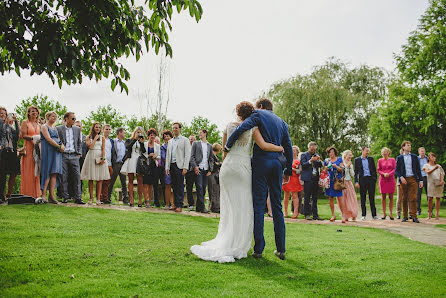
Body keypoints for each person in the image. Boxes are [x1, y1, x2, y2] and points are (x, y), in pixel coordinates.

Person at [190, 100, 286, 263]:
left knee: (228, 206)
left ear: (237, 112)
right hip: (243, 168)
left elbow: (224, 152)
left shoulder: (228, 126)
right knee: (244, 205)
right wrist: (279, 148)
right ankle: (239, 244)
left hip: (228, 168)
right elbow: (263, 145)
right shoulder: (253, 128)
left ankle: (226, 240)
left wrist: (226, 165)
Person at [225, 98, 293, 260]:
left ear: (260, 106)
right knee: (277, 206)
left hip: (261, 164)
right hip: (277, 164)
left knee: (259, 204)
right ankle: (281, 249)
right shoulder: (282, 123)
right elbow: (288, 147)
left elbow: (242, 128)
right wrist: (288, 170)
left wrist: (228, 145)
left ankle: (259, 249)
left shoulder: (257, 115)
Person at [80, 122, 110, 205]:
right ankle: (91, 198)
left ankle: (98, 199)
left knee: (100, 179)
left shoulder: (102, 137)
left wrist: (103, 158)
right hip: (91, 156)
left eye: (99, 127)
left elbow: (103, 149)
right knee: (91, 178)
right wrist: (95, 139)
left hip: (99, 156)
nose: (98, 129)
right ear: (93, 128)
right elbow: (90, 147)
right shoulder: (88, 137)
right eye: (96, 127)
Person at [165, 122, 191, 212]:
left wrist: (185, 167)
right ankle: (175, 204)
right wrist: (167, 167)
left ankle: (180, 205)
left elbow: (187, 154)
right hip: (171, 165)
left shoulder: (185, 140)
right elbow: (168, 155)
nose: (174, 129)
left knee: (180, 186)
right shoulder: (170, 141)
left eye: (176, 128)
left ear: (180, 129)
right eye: (173, 128)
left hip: (180, 166)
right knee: (174, 186)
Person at [395, 141, 423, 223]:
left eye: (410, 145)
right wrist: (401, 177)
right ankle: (405, 216)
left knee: (413, 197)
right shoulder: (399, 158)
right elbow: (397, 170)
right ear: (403, 147)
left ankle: (414, 216)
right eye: (408, 145)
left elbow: (418, 170)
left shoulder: (414, 157)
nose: (409, 146)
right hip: (404, 180)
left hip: (413, 179)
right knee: (404, 198)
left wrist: (421, 180)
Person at [39, 112, 64, 204]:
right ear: (47, 117)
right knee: (47, 172)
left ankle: (52, 196)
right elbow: (48, 139)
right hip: (48, 150)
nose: (54, 118)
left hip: (56, 152)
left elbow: (58, 139)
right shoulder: (44, 127)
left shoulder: (55, 128)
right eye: (52, 116)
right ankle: (44, 194)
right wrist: (58, 147)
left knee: (54, 172)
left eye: (56, 117)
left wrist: (62, 147)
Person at [189, 129, 214, 213]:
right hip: (198, 169)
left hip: (206, 170)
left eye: (200, 133)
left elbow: (211, 159)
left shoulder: (209, 146)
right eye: (198, 133)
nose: (199, 134)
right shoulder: (196, 144)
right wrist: (195, 167)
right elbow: (191, 157)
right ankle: (203, 208)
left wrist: (210, 169)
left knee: (203, 188)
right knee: (199, 187)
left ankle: (198, 207)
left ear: (205, 134)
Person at [120, 126, 145, 207]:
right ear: (134, 132)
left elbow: (144, 151)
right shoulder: (129, 140)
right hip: (131, 160)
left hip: (139, 161)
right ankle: (131, 200)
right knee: (130, 179)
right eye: (137, 132)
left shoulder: (141, 141)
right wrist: (135, 139)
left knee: (140, 180)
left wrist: (141, 142)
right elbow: (128, 146)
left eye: (140, 132)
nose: (139, 134)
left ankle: (140, 200)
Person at [20, 105, 41, 198]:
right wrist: (33, 137)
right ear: (28, 113)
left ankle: (36, 194)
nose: (34, 113)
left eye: (36, 111)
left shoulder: (39, 124)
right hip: (28, 148)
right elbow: (23, 135)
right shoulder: (25, 122)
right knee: (28, 170)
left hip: (37, 149)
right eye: (32, 111)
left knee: (36, 171)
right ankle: (27, 194)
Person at [0, 108, 20, 202]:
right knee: (3, 174)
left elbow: (17, 134)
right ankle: (2, 194)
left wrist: (16, 122)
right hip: (3, 151)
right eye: (1, 113)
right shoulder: (2, 125)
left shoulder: (9, 126)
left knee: (14, 172)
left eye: (4, 113)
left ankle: (9, 193)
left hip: (12, 151)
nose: (3, 115)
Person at [354, 146, 379, 220]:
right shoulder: (357, 160)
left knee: (372, 198)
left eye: (368, 151)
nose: (367, 152)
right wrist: (356, 181)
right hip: (362, 180)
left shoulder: (371, 159)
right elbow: (356, 172)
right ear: (362, 151)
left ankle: (374, 215)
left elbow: (374, 170)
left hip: (371, 179)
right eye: (366, 151)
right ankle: (363, 215)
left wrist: (374, 179)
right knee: (363, 198)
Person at [300, 141, 323, 220]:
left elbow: (320, 165)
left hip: (315, 178)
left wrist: (318, 160)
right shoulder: (304, 155)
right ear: (309, 147)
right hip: (307, 179)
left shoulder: (316, 155)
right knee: (307, 197)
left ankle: (315, 215)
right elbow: (303, 165)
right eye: (312, 149)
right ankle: (307, 214)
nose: (313, 150)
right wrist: (311, 160)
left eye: (314, 149)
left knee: (315, 197)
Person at [107, 127, 129, 204]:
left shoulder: (125, 143)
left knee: (124, 182)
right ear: (119, 133)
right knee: (112, 181)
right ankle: (108, 198)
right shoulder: (113, 141)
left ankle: (125, 199)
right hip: (115, 164)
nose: (125, 134)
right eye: (124, 132)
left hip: (122, 164)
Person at [324, 146, 345, 222]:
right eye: (329, 152)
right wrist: (326, 169)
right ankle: (333, 215)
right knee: (331, 198)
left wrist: (336, 166)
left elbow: (342, 170)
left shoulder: (339, 159)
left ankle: (343, 215)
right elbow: (324, 171)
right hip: (329, 180)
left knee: (340, 198)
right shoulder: (326, 161)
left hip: (337, 180)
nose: (331, 153)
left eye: (332, 152)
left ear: (335, 152)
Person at [282, 146, 303, 219]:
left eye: (294, 151)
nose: (293, 152)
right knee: (286, 196)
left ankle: (296, 212)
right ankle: (285, 212)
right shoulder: (287, 159)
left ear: (297, 152)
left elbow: (299, 171)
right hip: (287, 179)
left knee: (294, 196)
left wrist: (292, 169)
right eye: (292, 150)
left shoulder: (299, 161)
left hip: (295, 179)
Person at [142, 128, 161, 207]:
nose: (152, 137)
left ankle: (150, 200)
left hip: (154, 165)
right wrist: (148, 156)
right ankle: (146, 201)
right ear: (148, 136)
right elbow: (141, 154)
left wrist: (156, 156)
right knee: (145, 183)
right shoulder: (144, 144)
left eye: (153, 135)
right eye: (150, 135)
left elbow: (159, 156)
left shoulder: (157, 146)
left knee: (151, 184)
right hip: (146, 165)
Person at [422, 152, 444, 220]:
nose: (434, 158)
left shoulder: (438, 166)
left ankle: (437, 215)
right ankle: (429, 214)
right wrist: (434, 168)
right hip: (430, 183)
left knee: (438, 198)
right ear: (428, 158)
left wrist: (442, 180)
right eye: (432, 157)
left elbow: (442, 173)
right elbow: (428, 172)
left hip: (438, 183)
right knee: (430, 198)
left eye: (434, 157)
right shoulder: (426, 165)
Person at [377, 147, 396, 220]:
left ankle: (391, 213)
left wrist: (389, 174)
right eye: (383, 152)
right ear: (382, 153)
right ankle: (384, 213)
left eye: (386, 152)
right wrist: (383, 174)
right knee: (383, 197)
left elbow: (394, 169)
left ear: (388, 152)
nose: (384, 153)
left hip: (390, 179)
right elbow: (378, 169)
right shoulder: (380, 160)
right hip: (383, 179)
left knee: (391, 197)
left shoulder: (392, 160)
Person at [341, 150, 358, 221]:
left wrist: (350, 167)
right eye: (349, 155)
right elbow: (342, 174)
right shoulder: (341, 163)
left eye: (351, 155)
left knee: (351, 199)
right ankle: (345, 215)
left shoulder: (351, 164)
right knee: (343, 200)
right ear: (345, 156)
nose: (350, 157)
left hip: (349, 182)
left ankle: (353, 214)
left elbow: (353, 174)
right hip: (342, 183)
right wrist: (346, 167)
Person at [160, 130, 174, 209]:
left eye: (168, 136)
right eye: (165, 136)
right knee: (167, 186)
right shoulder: (162, 147)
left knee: (175, 186)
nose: (166, 138)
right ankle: (167, 204)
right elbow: (164, 158)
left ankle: (175, 204)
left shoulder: (175, 145)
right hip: (167, 168)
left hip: (175, 168)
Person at [100, 124, 113, 204]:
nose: (108, 131)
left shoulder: (111, 141)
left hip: (110, 163)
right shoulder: (100, 138)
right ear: (103, 130)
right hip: (102, 162)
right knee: (101, 180)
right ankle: (100, 197)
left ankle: (105, 198)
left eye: (109, 129)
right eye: (106, 129)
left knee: (107, 181)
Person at [208, 143, 222, 213]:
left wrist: (218, 164)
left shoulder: (215, 157)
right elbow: (214, 165)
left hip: (216, 175)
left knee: (216, 191)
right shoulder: (212, 156)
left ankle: (216, 206)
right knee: (213, 191)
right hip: (213, 175)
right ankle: (214, 207)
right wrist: (219, 164)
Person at [185, 134, 197, 210]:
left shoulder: (198, 148)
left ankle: (199, 204)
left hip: (196, 170)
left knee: (199, 187)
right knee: (189, 188)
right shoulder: (187, 148)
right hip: (188, 170)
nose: (192, 140)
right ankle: (191, 204)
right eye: (190, 139)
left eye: (193, 139)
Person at [417, 147, 428, 215]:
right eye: (421, 151)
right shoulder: (417, 159)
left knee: (429, 194)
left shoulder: (428, 158)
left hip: (427, 177)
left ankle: (430, 211)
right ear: (419, 152)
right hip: (419, 178)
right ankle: (418, 210)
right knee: (418, 194)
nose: (422, 152)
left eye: (423, 151)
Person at [396, 148, 404, 219]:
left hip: (408, 181)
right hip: (400, 182)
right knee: (399, 198)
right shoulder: (398, 160)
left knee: (408, 198)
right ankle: (398, 213)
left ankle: (408, 213)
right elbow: (397, 170)